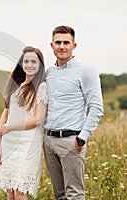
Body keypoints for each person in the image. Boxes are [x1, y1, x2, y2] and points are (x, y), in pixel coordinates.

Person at [43, 25, 104, 200]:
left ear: (74, 45)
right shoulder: (49, 72)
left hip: (71, 141)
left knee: (74, 194)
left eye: (66, 42)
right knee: (59, 195)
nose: (62, 46)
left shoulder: (86, 71)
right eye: (58, 42)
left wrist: (82, 137)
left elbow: (96, 108)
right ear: (52, 45)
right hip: (48, 141)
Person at [0, 46, 48, 200]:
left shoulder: (41, 87)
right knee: (10, 192)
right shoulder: (16, 85)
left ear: (40, 66)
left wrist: (11, 127)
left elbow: (38, 119)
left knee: (20, 192)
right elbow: (6, 113)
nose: (29, 65)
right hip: (9, 143)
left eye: (34, 62)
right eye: (26, 61)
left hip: (27, 144)